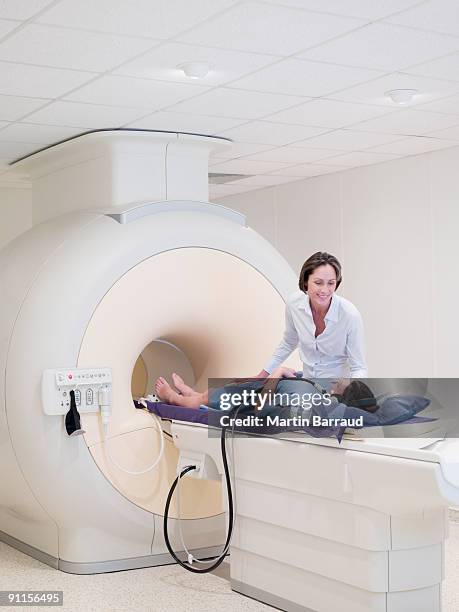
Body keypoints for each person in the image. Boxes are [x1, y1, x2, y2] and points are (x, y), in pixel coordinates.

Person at [257, 251, 367, 380]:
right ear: (305, 282)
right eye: (318, 283)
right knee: (266, 392)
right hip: (307, 381)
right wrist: (262, 376)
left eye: (331, 283)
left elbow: (359, 367)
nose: (325, 290)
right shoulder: (294, 304)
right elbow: (288, 342)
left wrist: (353, 394)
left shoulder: (349, 315)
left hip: (338, 387)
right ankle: (282, 373)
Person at [154, 369, 376, 413]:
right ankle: (188, 391)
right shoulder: (323, 391)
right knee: (211, 393)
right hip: (256, 388)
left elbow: (262, 407)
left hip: (252, 400)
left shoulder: (312, 402)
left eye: (343, 384)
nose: (338, 381)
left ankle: (172, 396)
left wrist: (276, 376)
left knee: (208, 397)